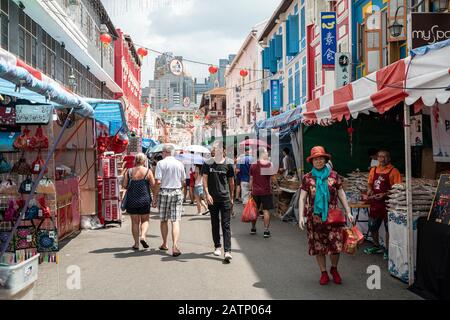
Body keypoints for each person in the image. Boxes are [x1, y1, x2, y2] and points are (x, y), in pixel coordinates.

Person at [298, 146, 353, 285]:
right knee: (318, 246)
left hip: (333, 216)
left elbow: (341, 193)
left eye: (321, 158)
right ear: (312, 161)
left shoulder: (334, 175)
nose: (319, 161)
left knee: (335, 245)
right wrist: (300, 216)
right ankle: (323, 273)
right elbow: (302, 198)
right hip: (315, 218)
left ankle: (334, 269)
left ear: (325, 160)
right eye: (316, 159)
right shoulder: (307, 178)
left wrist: (348, 211)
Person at [365, 150, 402, 259]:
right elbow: (369, 183)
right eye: (380, 157)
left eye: (384, 157)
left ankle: (387, 249)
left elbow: (398, 190)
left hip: (388, 204)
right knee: (372, 226)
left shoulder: (394, 171)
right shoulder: (374, 170)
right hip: (375, 203)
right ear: (377, 158)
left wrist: (385, 194)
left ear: (389, 158)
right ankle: (376, 245)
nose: (382, 159)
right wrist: (369, 190)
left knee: (388, 228)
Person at [202, 142, 235, 262]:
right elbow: (204, 180)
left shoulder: (229, 164)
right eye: (215, 149)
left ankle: (228, 251)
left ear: (224, 151)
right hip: (213, 198)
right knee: (214, 223)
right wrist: (207, 194)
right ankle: (217, 246)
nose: (217, 151)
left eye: (220, 149)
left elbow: (231, 182)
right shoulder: (207, 163)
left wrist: (232, 198)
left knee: (226, 225)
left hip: (225, 198)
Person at [153, 144, 186, 257]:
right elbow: (183, 181)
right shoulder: (180, 164)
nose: (161, 154)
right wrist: (179, 189)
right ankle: (175, 245)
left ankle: (165, 243)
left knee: (163, 220)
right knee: (175, 220)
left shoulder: (161, 163)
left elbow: (158, 182)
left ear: (165, 152)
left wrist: (155, 197)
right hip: (176, 191)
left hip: (164, 192)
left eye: (162, 152)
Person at [122, 153, 156, 250]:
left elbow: (124, 185)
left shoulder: (129, 171)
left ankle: (136, 244)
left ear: (135, 160)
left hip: (132, 200)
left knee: (135, 222)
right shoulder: (148, 171)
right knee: (145, 220)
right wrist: (154, 198)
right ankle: (143, 236)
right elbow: (153, 184)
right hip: (145, 199)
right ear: (144, 161)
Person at [249, 147, 278, 238]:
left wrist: (251, 190)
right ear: (262, 154)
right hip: (265, 191)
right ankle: (266, 231)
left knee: (255, 210)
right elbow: (273, 178)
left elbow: (251, 179)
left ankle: (253, 228)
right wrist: (277, 187)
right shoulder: (269, 164)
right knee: (266, 210)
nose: (268, 154)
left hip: (255, 192)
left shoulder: (253, 165)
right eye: (266, 153)